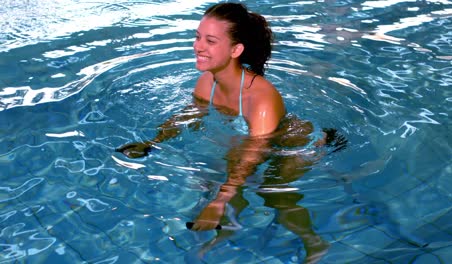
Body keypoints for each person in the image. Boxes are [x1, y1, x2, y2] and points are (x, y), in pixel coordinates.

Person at [116, 2, 346, 263]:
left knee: (274, 194)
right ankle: (226, 230)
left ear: (236, 50)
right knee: (220, 174)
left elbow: (253, 153)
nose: (198, 46)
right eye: (198, 37)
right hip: (251, 141)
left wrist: (220, 201)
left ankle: (315, 243)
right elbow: (189, 114)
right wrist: (152, 142)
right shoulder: (207, 80)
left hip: (296, 145)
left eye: (210, 40)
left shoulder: (261, 100)